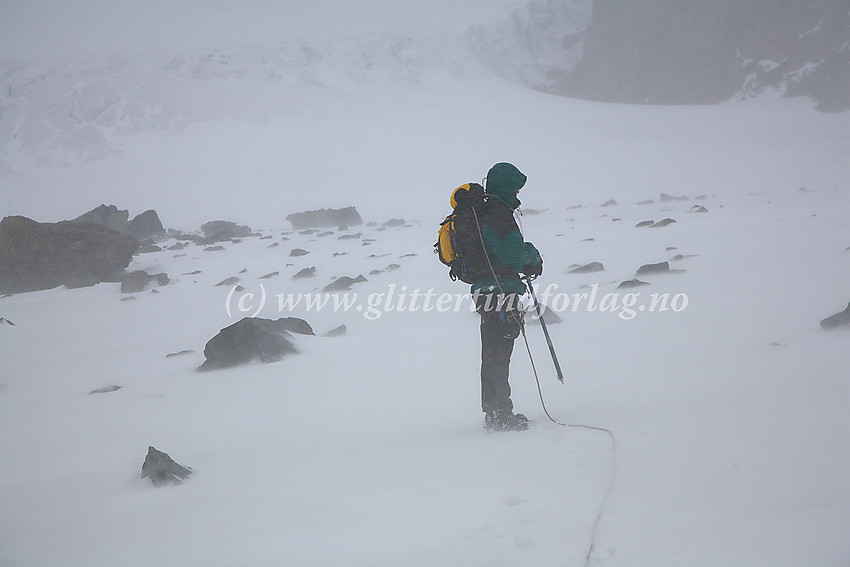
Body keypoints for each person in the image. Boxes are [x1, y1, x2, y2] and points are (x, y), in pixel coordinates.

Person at [471, 162, 543, 431]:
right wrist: (533, 257)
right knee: (499, 354)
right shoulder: (499, 214)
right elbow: (512, 254)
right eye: (515, 189)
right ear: (505, 187)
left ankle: (494, 413)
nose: (517, 195)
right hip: (501, 293)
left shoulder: (486, 211)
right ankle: (500, 414)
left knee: (492, 354)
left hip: (486, 292)